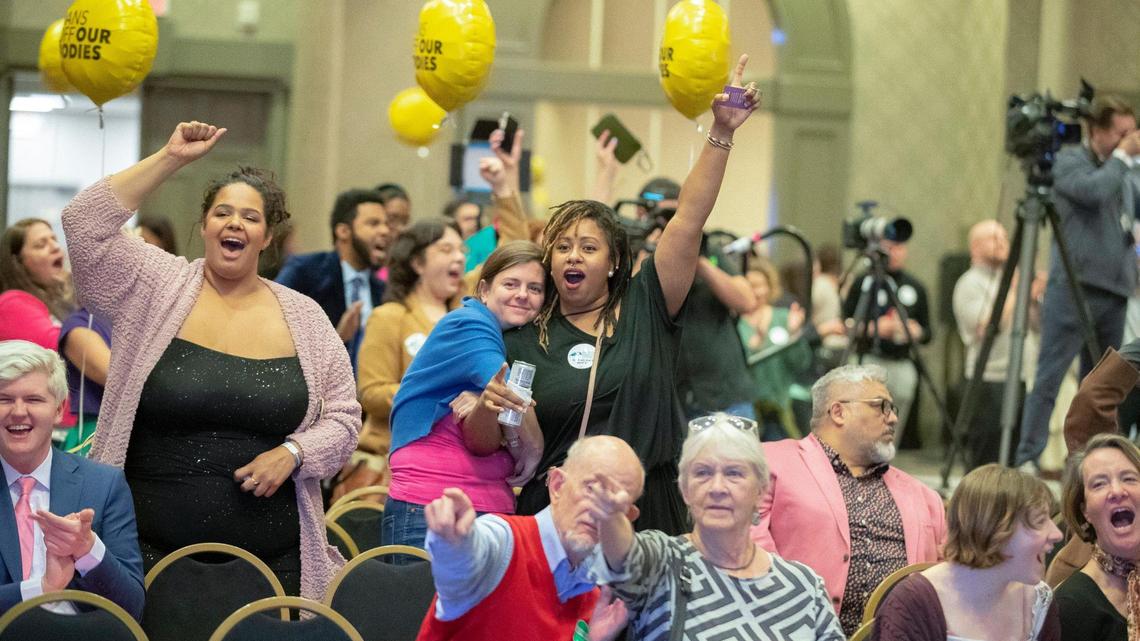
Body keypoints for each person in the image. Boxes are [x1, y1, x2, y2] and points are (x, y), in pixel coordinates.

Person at [61, 121, 360, 600]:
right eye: (223, 212)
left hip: (274, 569)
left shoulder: (306, 317)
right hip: (144, 559)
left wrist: (294, 453)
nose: (235, 223)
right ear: (203, 226)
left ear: (267, 238)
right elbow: (83, 223)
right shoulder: (156, 283)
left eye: (250, 216)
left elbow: (345, 419)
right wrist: (172, 157)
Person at [504, 55, 760, 535]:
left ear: (615, 262)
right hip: (557, 516)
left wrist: (722, 132)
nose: (573, 257)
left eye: (587, 247)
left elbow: (687, 219)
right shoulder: (524, 335)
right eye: (561, 247)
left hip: (648, 514)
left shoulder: (647, 307)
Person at [339, 129, 531, 501]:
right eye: (446, 249)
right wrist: (440, 393)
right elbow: (372, 393)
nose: (460, 257)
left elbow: (515, 257)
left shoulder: (469, 308)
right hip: (393, 471)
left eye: (462, 250)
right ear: (416, 261)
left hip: (466, 471)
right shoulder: (391, 316)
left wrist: (505, 188)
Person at [591, 415, 844, 640]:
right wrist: (609, 514)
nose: (717, 488)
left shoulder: (803, 587)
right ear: (685, 489)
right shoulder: (662, 561)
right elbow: (623, 555)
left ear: (761, 490)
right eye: (702, 473)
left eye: (734, 473)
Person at [753, 363, 946, 636]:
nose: (893, 419)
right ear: (838, 412)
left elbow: (947, 578)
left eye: (893, 409)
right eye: (881, 406)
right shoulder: (770, 462)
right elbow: (746, 545)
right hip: (795, 629)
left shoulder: (924, 496)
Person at [383, 241, 546, 550]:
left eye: (535, 288)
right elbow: (512, 395)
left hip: (484, 504)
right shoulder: (470, 323)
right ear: (484, 290)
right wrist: (534, 451)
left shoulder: (504, 334)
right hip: (433, 502)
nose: (522, 294)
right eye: (511, 284)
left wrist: (479, 396)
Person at [415, 435, 642, 641]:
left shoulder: (595, 592)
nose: (600, 510)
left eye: (617, 503)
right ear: (557, 486)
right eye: (591, 489)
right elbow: (466, 559)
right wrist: (453, 544)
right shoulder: (505, 541)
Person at [1018, 96, 1140, 467]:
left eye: (1130, 132)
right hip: (1073, 288)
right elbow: (1093, 192)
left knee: (1103, 385)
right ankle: (1028, 458)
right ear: (1096, 130)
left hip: (1114, 290)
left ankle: (1094, 462)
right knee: (1050, 376)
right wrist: (1121, 159)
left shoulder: (1125, 173)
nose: (1127, 140)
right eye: (1119, 133)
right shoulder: (1070, 162)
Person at [0, 340, 143, 619]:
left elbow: (132, 609)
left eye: (33, 399)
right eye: (4, 399)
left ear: (58, 409)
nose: (18, 411)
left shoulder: (103, 485)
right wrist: (42, 588)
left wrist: (87, 551)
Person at [872, 464, 1061, 640]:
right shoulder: (912, 605)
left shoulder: (1037, 601)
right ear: (991, 529)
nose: (1057, 534)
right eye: (1039, 521)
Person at [56, 222, 179, 457]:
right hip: (97, 437)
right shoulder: (79, 326)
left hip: (144, 435)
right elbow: (120, 378)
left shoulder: (140, 321)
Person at [952, 220, 1044, 468]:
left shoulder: (1012, 281)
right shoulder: (969, 283)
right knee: (987, 456)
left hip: (1021, 377)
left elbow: (1037, 326)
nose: (1003, 243)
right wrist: (1016, 289)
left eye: (1004, 237)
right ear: (975, 247)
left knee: (1013, 457)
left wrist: (1034, 298)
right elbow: (986, 328)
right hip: (989, 380)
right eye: (995, 238)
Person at [275, 188, 391, 368]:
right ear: (343, 231)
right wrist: (338, 339)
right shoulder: (304, 271)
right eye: (373, 223)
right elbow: (275, 331)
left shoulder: (384, 291)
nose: (385, 231)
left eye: (386, 224)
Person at [842, 237, 932, 443]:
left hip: (902, 362)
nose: (894, 253)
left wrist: (915, 331)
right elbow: (845, 324)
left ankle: (888, 462)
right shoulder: (863, 283)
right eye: (889, 248)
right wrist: (875, 328)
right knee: (865, 419)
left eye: (899, 247)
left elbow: (928, 333)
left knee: (893, 425)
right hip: (869, 360)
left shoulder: (915, 286)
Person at [1055, 433, 1140, 641]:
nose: (1117, 491)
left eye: (1129, 478)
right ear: (1085, 511)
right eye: (1099, 484)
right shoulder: (1071, 605)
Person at [738, 257, 813, 440]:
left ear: (770, 286)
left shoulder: (783, 317)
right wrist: (755, 344)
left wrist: (794, 335)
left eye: (760, 285)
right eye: (749, 285)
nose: (755, 292)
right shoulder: (734, 322)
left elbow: (801, 363)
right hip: (745, 413)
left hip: (780, 412)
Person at [0, 219, 73, 347]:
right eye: (41, 245)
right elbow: (70, 351)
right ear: (18, 263)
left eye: (54, 239)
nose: (56, 247)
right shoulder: (13, 304)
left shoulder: (61, 301)